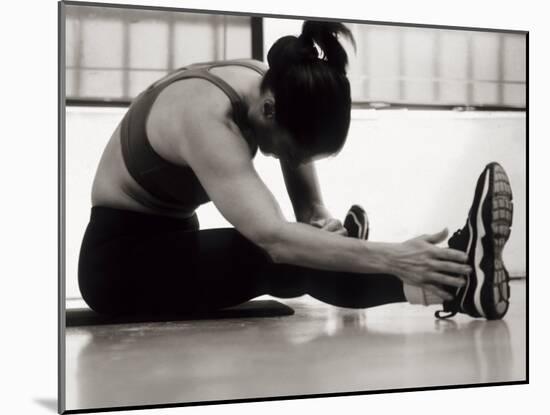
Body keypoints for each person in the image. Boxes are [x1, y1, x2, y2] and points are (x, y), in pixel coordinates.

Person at [77, 20, 513, 320]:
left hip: (175, 242)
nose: (285, 158)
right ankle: (453, 284)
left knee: (305, 244)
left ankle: (440, 276)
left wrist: (320, 224)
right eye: (288, 150)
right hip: (118, 267)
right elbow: (275, 239)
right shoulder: (205, 116)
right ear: (268, 111)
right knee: (271, 255)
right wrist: (392, 254)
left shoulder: (278, 89)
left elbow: (306, 208)